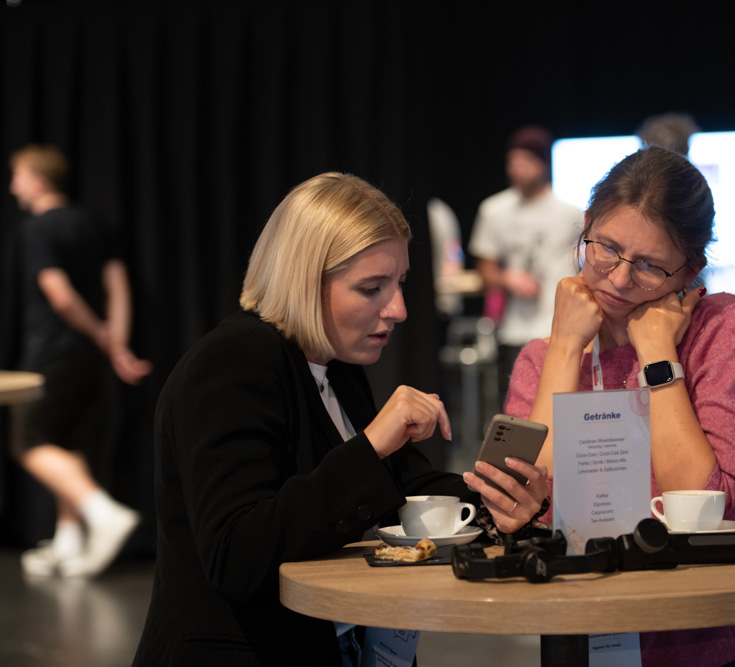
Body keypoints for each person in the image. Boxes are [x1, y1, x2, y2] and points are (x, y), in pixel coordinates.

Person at [132, 172, 549, 666]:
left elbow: (407, 491)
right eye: (372, 288)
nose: (398, 309)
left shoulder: (338, 369)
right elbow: (237, 556)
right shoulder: (231, 363)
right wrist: (371, 446)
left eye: (399, 283)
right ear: (303, 281)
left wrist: (496, 497)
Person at [505, 147, 735, 666]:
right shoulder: (542, 358)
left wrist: (658, 354)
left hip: (722, 635)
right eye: (606, 249)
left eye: (649, 266)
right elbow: (536, 509)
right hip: (585, 630)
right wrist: (562, 349)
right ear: (586, 227)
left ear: (690, 268)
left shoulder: (731, 332)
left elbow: (704, 503)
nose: (620, 280)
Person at [7, 144, 152, 578]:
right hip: (89, 360)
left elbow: (59, 294)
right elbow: (119, 288)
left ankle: (102, 514)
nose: (12, 187)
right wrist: (115, 345)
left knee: (29, 444)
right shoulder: (94, 223)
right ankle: (68, 541)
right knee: (68, 446)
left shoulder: (37, 229)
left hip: (52, 354)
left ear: (37, 180)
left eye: (16, 177)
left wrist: (98, 332)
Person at [468, 125, 583, 395]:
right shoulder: (493, 210)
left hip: (558, 327)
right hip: (514, 331)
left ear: (543, 163)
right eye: (513, 161)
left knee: (561, 405)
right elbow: (484, 271)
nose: (518, 169)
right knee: (518, 408)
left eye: (527, 160)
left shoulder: (571, 214)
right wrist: (508, 278)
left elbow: (586, 268)